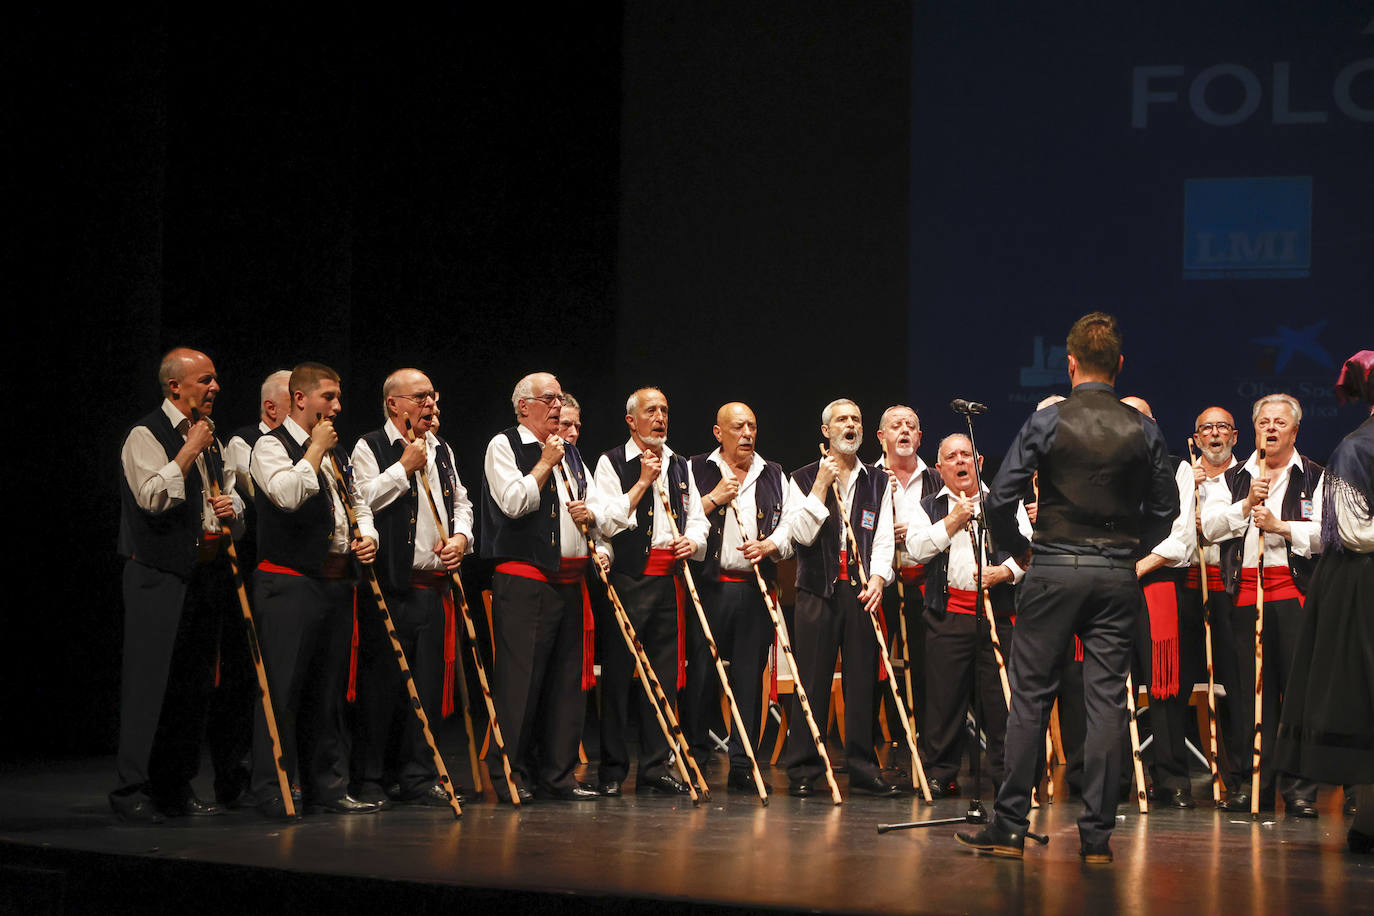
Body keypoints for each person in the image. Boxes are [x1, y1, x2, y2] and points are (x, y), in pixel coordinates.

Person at [955, 312, 1177, 864]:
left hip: (1053, 568)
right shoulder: (1143, 428)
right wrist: (1126, 549)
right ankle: (1097, 840)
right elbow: (1168, 512)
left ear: (1070, 364)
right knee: (1106, 704)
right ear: (1120, 366)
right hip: (1115, 574)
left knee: (1030, 698)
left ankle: (1008, 829)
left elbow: (999, 499)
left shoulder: (1048, 420)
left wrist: (1022, 553)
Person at [111, 348, 241, 822]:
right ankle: (132, 789)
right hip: (157, 573)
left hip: (204, 572)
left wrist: (232, 510)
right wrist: (188, 450)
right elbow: (151, 498)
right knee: (150, 682)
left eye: (215, 379)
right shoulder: (146, 435)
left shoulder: (211, 438)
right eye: (206, 380)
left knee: (193, 685)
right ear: (175, 387)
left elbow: (222, 503)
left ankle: (176, 785)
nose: (215, 388)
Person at [248, 362, 380, 816]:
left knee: (327, 694)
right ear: (300, 398)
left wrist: (367, 535)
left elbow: (356, 498)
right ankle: (272, 789)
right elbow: (285, 494)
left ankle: (327, 787)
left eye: (338, 397)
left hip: (335, 581)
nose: (337, 407)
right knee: (282, 691)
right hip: (289, 582)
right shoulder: (270, 445)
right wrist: (313, 452)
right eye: (329, 397)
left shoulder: (335, 450)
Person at [350, 369, 473, 807]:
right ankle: (371, 777)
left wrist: (460, 538)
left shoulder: (442, 448)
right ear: (394, 404)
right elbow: (361, 500)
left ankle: (419, 777)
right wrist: (403, 468)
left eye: (434, 398)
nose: (431, 406)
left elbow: (460, 502)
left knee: (427, 684)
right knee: (382, 686)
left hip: (434, 585)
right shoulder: (371, 446)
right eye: (421, 397)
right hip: (391, 584)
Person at [481, 372, 604, 802]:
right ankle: (512, 774)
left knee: (565, 685)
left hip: (569, 582)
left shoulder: (569, 453)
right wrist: (545, 462)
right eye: (548, 399)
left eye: (558, 398)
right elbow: (513, 502)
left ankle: (559, 775)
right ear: (524, 407)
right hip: (526, 581)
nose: (556, 405)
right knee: (521, 682)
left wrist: (596, 534)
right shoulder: (505, 446)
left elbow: (591, 505)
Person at [1201, 393, 1324, 816]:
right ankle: (1252, 783)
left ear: (1294, 430)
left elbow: (1325, 535)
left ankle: (1300, 791)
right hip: (1243, 594)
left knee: (1296, 694)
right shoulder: (1234, 477)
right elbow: (1211, 527)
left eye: (1280, 422)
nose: (1271, 428)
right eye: (1264, 422)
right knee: (1247, 692)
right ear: (1254, 430)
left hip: (1290, 594)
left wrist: (1282, 526)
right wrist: (1246, 505)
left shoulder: (1313, 477)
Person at [1276, 351, 1374, 851]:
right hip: (1363, 587)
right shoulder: (1356, 448)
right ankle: (1368, 823)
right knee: (1361, 700)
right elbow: (1354, 531)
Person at [593, 387, 708, 795]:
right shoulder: (611, 463)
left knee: (661, 677)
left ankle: (656, 765)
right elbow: (604, 521)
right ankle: (611, 770)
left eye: (664, 410)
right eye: (651, 411)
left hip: (667, 579)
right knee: (620, 678)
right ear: (632, 420)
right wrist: (642, 481)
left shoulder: (680, 463)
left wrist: (692, 543)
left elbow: (698, 520)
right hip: (627, 578)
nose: (660, 417)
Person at [781, 398, 898, 798]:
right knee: (811, 681)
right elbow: (800, 535)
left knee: (862, 683)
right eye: (842, 420)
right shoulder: (801, 477)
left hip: (861, 590)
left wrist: (880, 578)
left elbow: (882, 539)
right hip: (817, 591)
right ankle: (802, 769)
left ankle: (864, 768)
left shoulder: (877, 480)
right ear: (826, 431)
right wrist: (820, 487)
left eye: (856, 420)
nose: (851, 425)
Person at [909, 433, 1031, 799]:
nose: (960, 461)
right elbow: (915, 550)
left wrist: (1004, 572)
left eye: (966, 455)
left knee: (1000, 701)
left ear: (978, 463)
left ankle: (1005, 776)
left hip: (997, 611)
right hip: (948, 614)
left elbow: (1028, 549)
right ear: (940, 467)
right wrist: (953, 521)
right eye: (951, 456)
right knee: (945, 701)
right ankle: (942, 772)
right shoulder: (928, 506)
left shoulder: (1003, 503)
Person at [685, 402, 792, 794]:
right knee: (701, 673)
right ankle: (694, 757)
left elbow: (789, 527)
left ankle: (743, 762)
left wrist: (771, 544)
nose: (747, 433)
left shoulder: (774, 473)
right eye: (738, 427)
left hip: (753, 588)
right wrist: (713, 498)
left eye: (752, 426)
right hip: (709, 587)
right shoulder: (694, 467)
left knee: (749, 677)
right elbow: (677, 519)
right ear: (719, 433)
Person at [207, 368, 291, 807]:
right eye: (293, 401)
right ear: (272, 407)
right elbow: (260, 500)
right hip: (253, 567)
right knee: (243, 675)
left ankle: (276, 768)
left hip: (290, 573)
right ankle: (233, 774)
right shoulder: (246, 441)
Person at [1122, 396, 1199, 808]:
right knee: (1110, 684)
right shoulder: (1101, 468)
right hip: (1111, 589)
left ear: (1153, 424)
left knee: (1164, 685)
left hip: (1156, 586)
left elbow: (1182, 538)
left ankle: (1171, 776)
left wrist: (1137, 567)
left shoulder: (1177, 468)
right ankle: (1114, 777)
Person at [874, 405, 941, 752]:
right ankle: (883, 743)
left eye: (911, 426)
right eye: (896, 425)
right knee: (876, 665)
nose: (904, 431)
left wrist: (916, 532)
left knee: (926, 666)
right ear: (882, 437)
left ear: (919, 437)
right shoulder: (867, 476)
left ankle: (926, 744)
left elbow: (976, 504)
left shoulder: (938, 477)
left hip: (926, 584)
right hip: (881, 585)